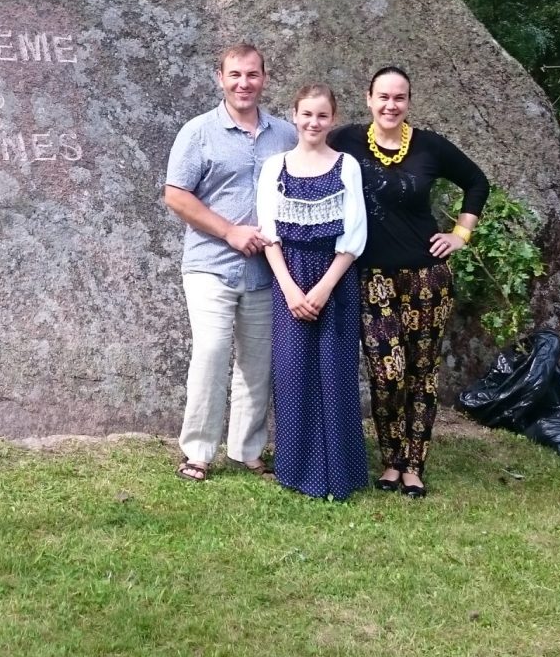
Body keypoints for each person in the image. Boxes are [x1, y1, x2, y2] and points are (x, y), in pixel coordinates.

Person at [329, 66, 489, 498]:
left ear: (409, 102)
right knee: (387, 374)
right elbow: (309, 161)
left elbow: (477, 182)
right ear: (369, 99)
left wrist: (460, 234)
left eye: (399, 97)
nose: (390, 105)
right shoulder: (345, 141)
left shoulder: (429, 145)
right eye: (383, 96)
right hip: (373, 277)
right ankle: (390, 459)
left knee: (421, 372)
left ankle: (413, 465)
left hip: (427, 277)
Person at [164, 43, 297, 482]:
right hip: (211, 265)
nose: (244, 83)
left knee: (257, 364)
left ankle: (247, 451)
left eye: (252, 74)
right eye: (235, 75)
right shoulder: (198, 132)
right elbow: (176, 195)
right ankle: (198, 452)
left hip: (265, 271)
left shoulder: (285, 136)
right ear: (220, 78)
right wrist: (229, 231)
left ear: (265, 78)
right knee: (211, 353)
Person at [255, 84, 367, 499]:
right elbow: (268, 233)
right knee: (293, 373)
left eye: (322, 116)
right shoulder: (275, 167)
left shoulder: (346, 166)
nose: (313, 123)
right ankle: (296, 468)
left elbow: (355, 235)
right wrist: (289, 289)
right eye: (306, 114)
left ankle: (340, 470)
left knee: (336, 373)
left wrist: (323, 288)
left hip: (334, 280)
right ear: (295, 116)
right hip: (289, 278)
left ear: (332, 119)